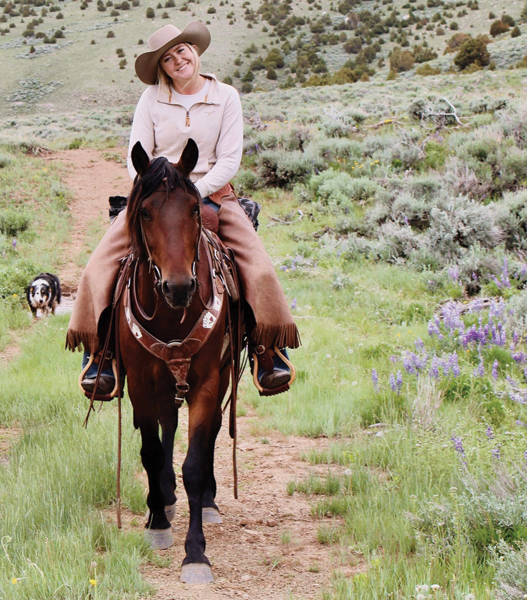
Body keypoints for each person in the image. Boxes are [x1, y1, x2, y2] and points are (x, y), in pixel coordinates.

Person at [66, 21, 300, 396]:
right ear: (161, 67)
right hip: (156, 198)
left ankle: (267, 350)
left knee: (259, 269)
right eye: (168, 58)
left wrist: (192, 191)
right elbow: (136, 154)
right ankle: (100, 355)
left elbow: (229, 158)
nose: (178, 60)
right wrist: (157, 190)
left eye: (182, 51)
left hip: (213, 193)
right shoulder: (151, 100)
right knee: (99, 266)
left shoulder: (226, 96)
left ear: (195, 50)